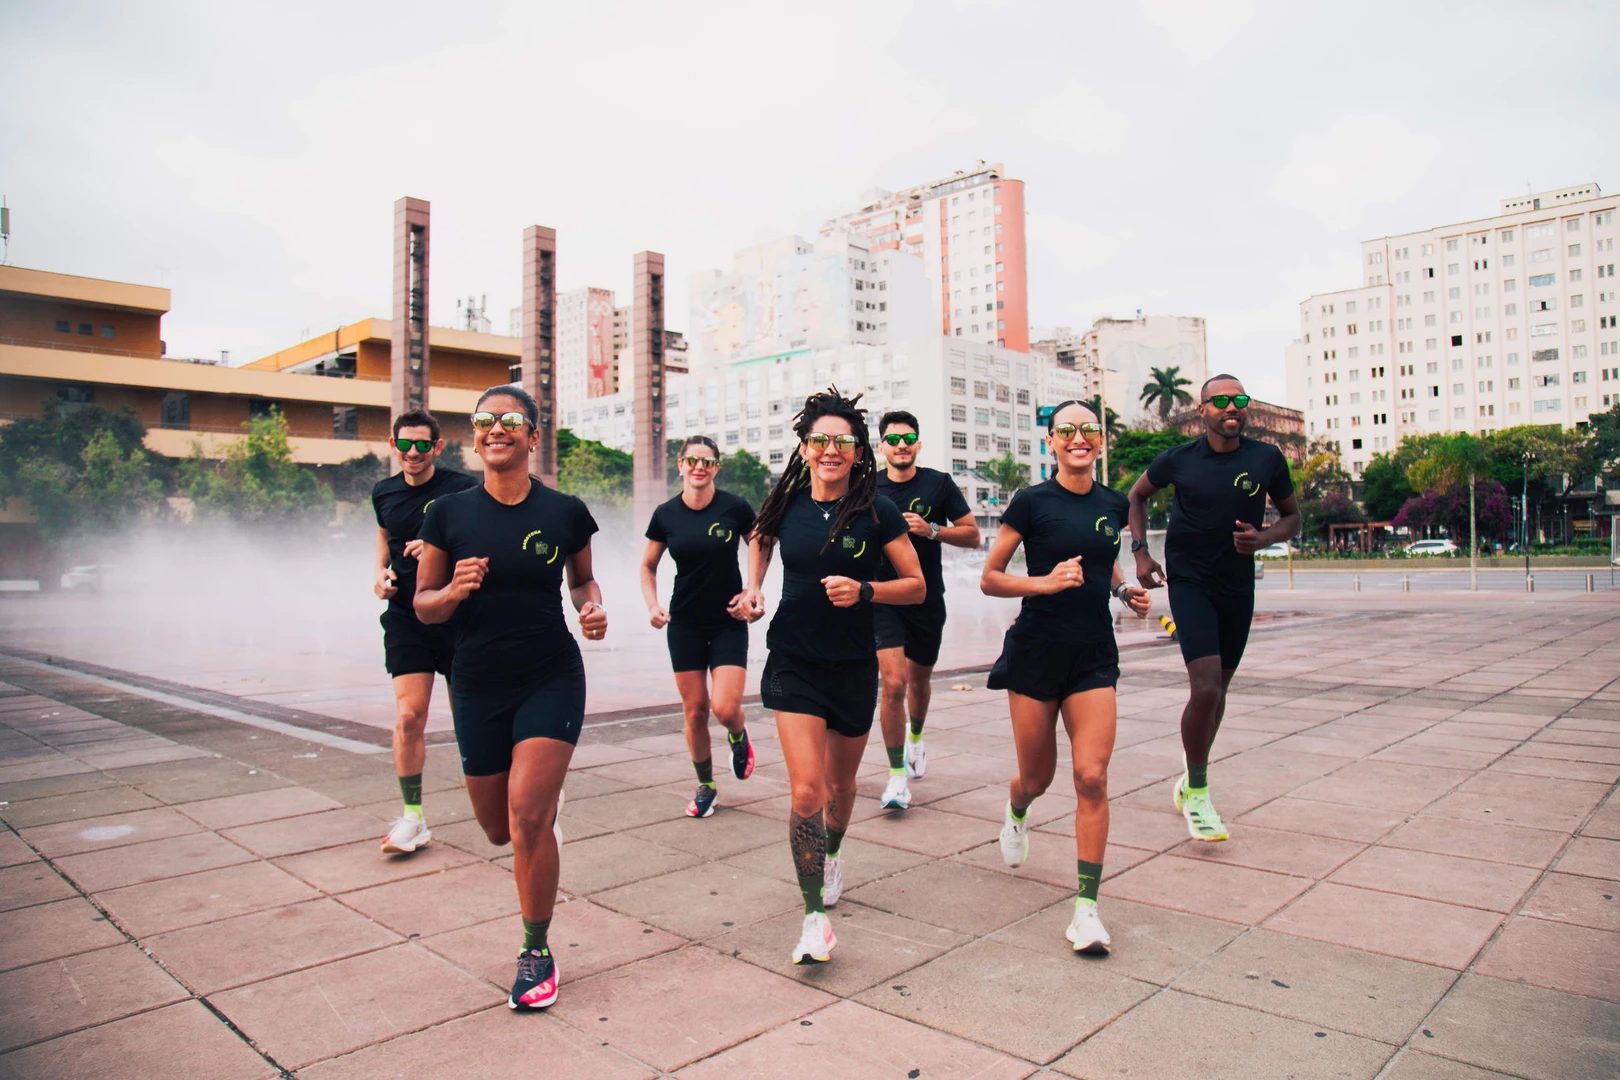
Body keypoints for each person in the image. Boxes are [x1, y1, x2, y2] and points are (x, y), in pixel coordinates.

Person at [415, 385, 606, 1011]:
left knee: (526, 818)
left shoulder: (565, 512)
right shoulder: (447, 514)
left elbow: (583, 579)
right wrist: (453, 591)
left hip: (550, 674)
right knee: (499, 829)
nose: (496, 429)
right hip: (476, 681)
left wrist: (591, 609)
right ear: (475, 436)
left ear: (532, 435)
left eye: (510, 420)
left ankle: (535, 950)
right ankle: (538, 813)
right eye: (485, 420)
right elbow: (424, 606)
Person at [740, 389, 924, 964]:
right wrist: (753, 587)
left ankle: (834, 852)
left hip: (852, 665)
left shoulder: (877, 511)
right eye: (819, 440)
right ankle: (813, 917)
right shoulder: (785, 502)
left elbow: (915, 586)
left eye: (842, 441)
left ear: (858, 452)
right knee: (807, 790)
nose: (830, 450)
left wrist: (865, 590)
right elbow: (760, 537)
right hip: (793, 661)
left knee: (842, 788)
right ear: (804, 448)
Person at [980, 400, 1151, 954]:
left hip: (1093, 654)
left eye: (1088, 429)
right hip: (1035, 652)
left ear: (1099, 440)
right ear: (1051, 441)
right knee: (1037, 777)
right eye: (1067, 431)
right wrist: (1045, 584)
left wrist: (1123, 589)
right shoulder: (1031, 502)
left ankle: (1086, 910)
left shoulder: (1113, 503)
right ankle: (1017, 810)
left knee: (1092, 777)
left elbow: (1104, 559)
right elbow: (990, 578)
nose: (1079, 438)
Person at [1127, 375, 1300, 843]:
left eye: (1239, 399)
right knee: (1204, 688)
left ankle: (1190, 776)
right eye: (1220, 400)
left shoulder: (1266, 459)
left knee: (1218, 692)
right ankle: (1200, 794)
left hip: (1236, 586)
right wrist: (1141, 554)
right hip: (1190, 583)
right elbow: (1136, 496)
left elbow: (1292, 517)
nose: (1231, 407)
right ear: (1202, 411)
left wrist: (1263, 538)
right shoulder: (1179, 459)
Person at [370, 408, 478, 855]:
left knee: (468, 720)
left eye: (422, 445)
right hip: (405, 617)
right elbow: (384, 542)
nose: (412, 452)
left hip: (454, 616)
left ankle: (506, 799)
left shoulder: (462, 488)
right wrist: (379, 576)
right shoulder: (384, 492)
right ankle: (412, 816)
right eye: (404, 444)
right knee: (409, 717)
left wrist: (437, 546)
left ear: (437, 447)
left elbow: (481, 540)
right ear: (393, 445)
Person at [640, 436, 759, 819]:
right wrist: (653, 605)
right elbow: (648, 566)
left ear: (716, 467)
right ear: (680, 465)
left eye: (707, 461)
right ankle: (706, 785)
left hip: (728, 620)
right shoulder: (665, 514)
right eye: (692, 460)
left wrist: (752, 589)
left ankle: (738, 735)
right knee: (694, 712)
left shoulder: (735, 507)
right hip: (685, 623)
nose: (699, 467)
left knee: (724, 708)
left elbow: (759, 543)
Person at [872, 410, 978, 809]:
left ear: (918, 443)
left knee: (918, 681)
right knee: (893, 684)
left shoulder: (939, 483)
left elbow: (972, 535)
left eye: (908, 438)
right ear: (881, 446)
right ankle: (896, 776)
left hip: (926, 599)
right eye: (892, 439)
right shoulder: (867, 488)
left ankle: (915, 736)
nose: (901, 445)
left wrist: (932, 529)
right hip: (884, 598)